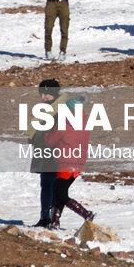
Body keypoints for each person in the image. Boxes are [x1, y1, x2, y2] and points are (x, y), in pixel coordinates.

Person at [44, 94, 95, 227]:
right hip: (78, 164)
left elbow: (50, 141)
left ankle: (86, 214)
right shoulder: (84, 124)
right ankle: (55, 222)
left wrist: (45, 134)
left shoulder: (64, 123)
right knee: (60, 191)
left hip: (65, 163)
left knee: (60, 193)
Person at [27, 79, 64, 227]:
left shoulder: (61, 109)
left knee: (53, 185)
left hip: (55, 152)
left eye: (46, 94)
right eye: (42, 93)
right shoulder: (47, 108)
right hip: (44, 151)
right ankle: (46, 217)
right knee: (46, 184)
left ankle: (52, 219)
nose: (43, 97)